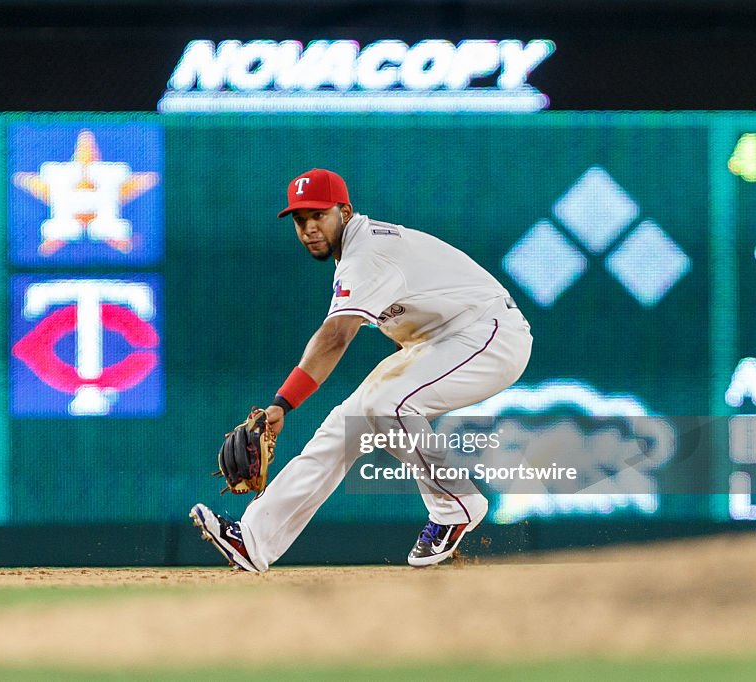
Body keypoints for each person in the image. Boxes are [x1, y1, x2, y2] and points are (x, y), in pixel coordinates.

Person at [190, 168, 533, 571]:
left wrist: (283, 403)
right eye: (301, 220)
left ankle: (456, 505)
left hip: (490, 335)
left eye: (319, 215)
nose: (309, 228)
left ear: (346, 212)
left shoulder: (366, 254)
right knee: (347, 424)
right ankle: (254, 540)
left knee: (388, 404)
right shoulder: (359, 251)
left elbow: (335, 336)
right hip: (445, 340)